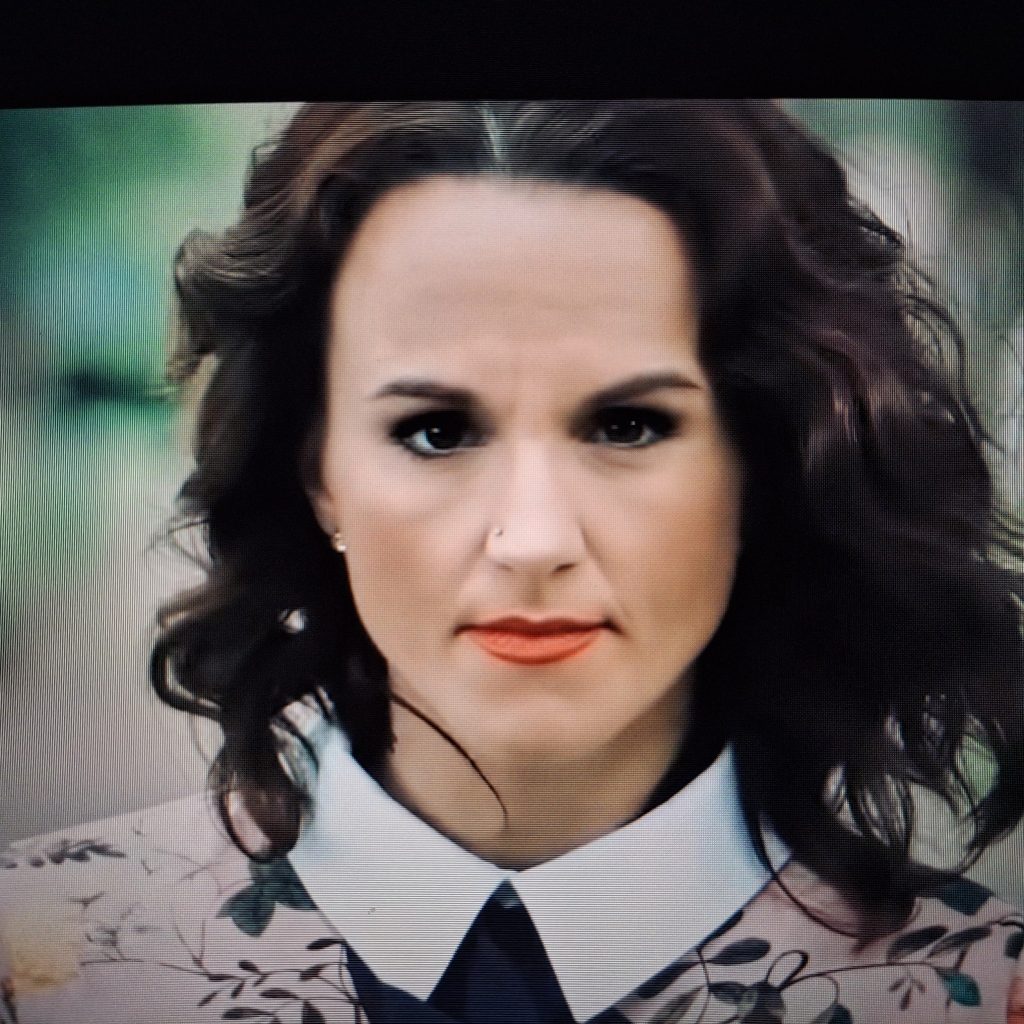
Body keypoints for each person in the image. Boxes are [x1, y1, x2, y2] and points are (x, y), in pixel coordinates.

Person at [1, 99, 1023, 1023]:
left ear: (759, 465)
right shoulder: (42, 965)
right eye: (438, 431)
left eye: (627, 424)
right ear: (318, 473)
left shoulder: (977, 994)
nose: (533, 541)